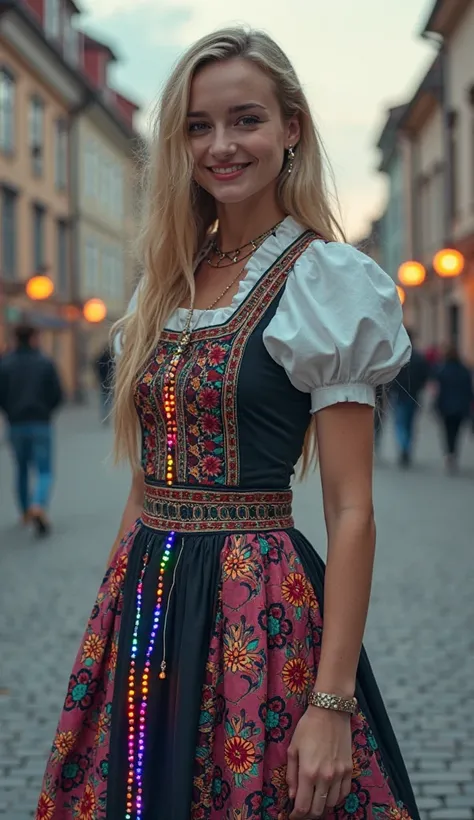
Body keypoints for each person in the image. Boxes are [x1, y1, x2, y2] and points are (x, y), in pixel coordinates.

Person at [36, 28, 419, 820]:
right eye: (198, 126)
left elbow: (351, 511)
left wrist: (333, 702)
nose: (221, 145)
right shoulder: (164, 284)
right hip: (145, 596)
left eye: (245, 119)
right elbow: (146, 480)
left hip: (259, 603)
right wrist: (110, 614)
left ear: (292, 130)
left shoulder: (325, 283)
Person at [0, 323, 63, 535]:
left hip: (16, 424)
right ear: (34, 338)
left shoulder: (5, 363)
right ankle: (38, 504)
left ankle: (25, 511)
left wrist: (10, 411)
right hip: (41, 423)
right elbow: (57, 394)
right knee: (44, 470)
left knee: (21, 469)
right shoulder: (45, 363)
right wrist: (46, 410)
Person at [390, 329, 429, 467]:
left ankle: (403, 446)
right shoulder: (419, 357)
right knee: (410, 424)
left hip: (400, 395)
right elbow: (425, 376)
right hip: (414, 395)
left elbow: (391, 377)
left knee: (400, 423)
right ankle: (406, 447)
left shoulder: (398, 357)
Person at [434, 344, 473, 473]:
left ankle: (449, 454)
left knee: (447, 432)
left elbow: (438, 390)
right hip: (460, 407)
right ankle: (453, 453)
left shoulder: (442, 370)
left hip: (445, 407)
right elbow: (469, 390)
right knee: (456, 432)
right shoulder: (464, 370)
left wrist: (437, 405)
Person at [95, 344, 115, 423]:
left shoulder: (101, 359)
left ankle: (104, 415)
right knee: (107, 399)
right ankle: (107, 415)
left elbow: (97, 369)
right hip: (108, 381)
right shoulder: (110, 359)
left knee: (103, 399)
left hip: (103, 381)